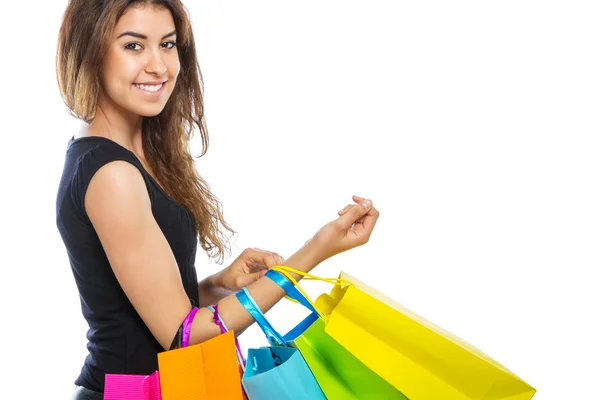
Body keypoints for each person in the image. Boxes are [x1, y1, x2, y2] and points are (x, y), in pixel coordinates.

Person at [55, 1, 379, 399]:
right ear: (90, 51)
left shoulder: (131, 155)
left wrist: (217, 286)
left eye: (168, 44)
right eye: (134, 46)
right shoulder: (111, 174)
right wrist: (312, 253)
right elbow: (184, 336)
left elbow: (136, 308)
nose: (159, 66)